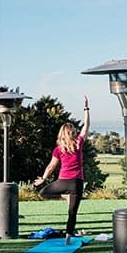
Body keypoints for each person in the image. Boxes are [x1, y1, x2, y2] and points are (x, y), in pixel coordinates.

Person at [33, 97, 90, 244]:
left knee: (43, 192)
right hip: (76, 183)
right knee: (72, 213)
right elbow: (86, 127)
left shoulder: (59, 149)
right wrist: (86, 109)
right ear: (72, 133)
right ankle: (68, 238)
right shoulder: (78, 144)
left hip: (62, 182)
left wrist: (43, 179)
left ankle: (65, 196)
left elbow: (51, 166)